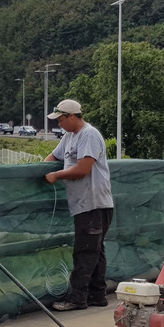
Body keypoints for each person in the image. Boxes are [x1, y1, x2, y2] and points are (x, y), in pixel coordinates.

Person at [42, 99, 113, 311]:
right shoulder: (69, 136)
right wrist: (40, 169)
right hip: (84, 203)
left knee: (85, 251)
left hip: (94, 203)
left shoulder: (89, 135)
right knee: (95, 250)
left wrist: (56, 175)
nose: (59, 124)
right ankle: (97, 295)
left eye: (61, 119)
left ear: (72, 116)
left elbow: (83, 169)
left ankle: (77, 298)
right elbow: (53, 156)